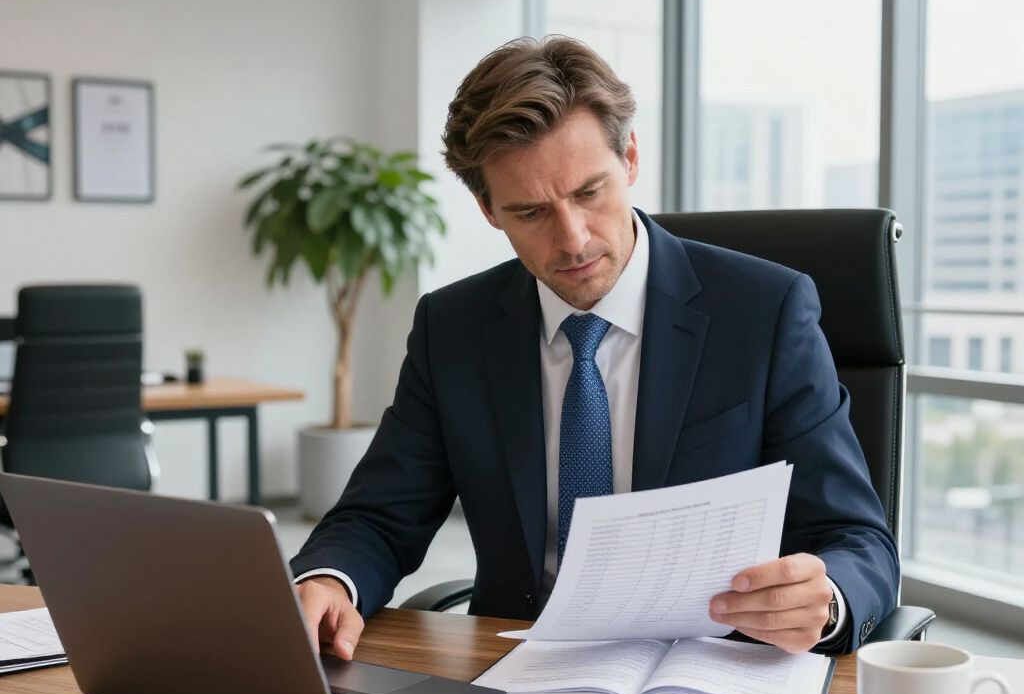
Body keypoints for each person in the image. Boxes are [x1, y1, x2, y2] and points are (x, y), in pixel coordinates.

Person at [292, 36, 898, 659]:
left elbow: (856, 538)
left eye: (589, 192)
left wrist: (827, 603)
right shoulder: (453, 327)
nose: (573, 239)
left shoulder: (764, 312)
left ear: (630, 158)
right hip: (515, 668)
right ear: (487, 209)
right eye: (529, 212)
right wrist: (328, 578)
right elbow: (377, 516)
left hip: (710, 669)